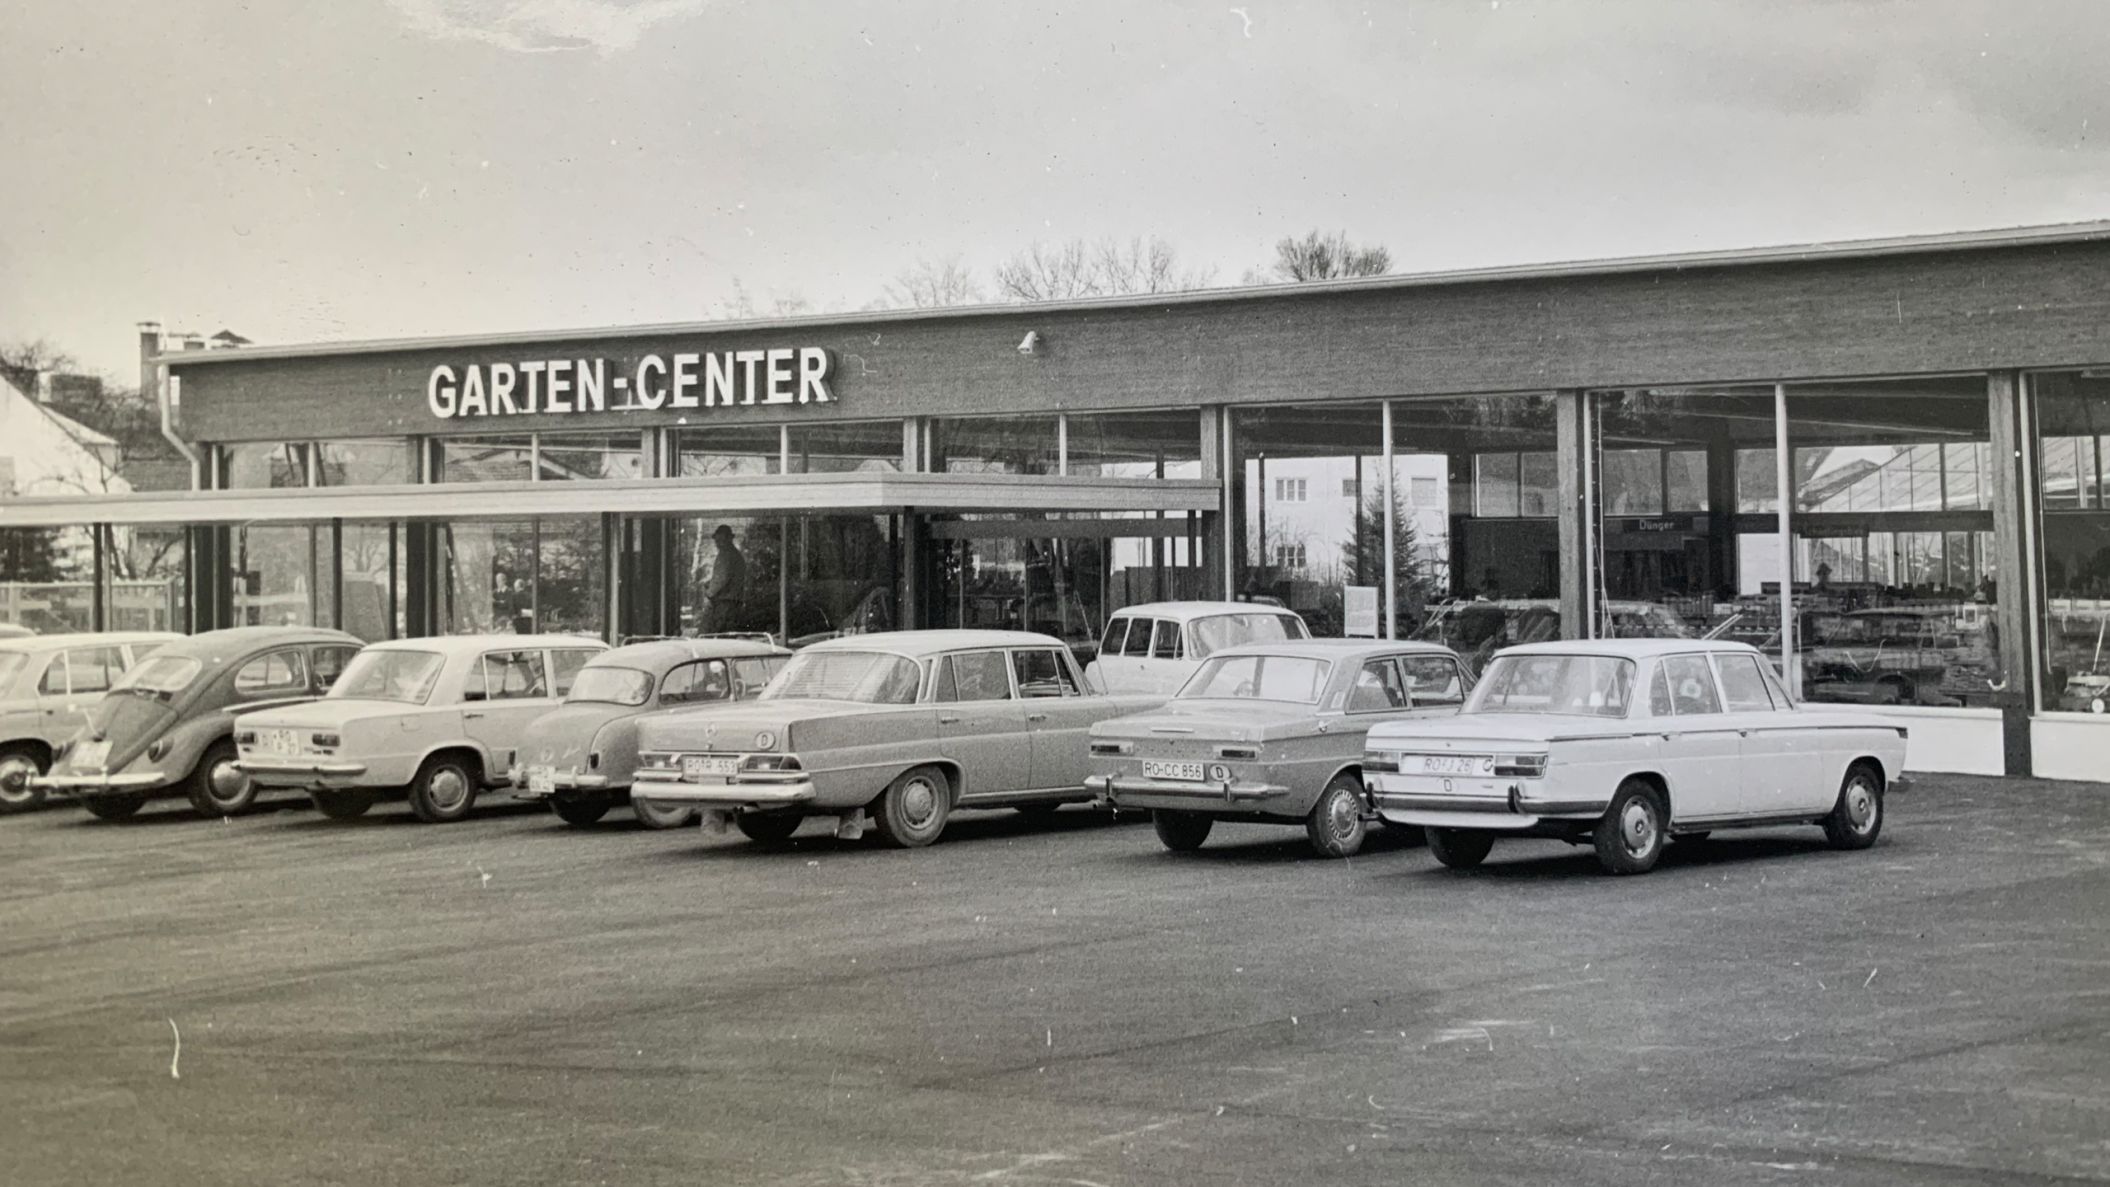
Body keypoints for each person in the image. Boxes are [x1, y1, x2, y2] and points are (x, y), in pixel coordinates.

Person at [701, 525, 747, 632]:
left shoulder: (726, 554)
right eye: (717, 540)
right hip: (733, 602)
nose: (718, 543)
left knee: (715, 635)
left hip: (724, 603)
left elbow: (721, 578)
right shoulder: (735, 555)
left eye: (721, 539)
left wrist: (709, 592)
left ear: (728, 539)